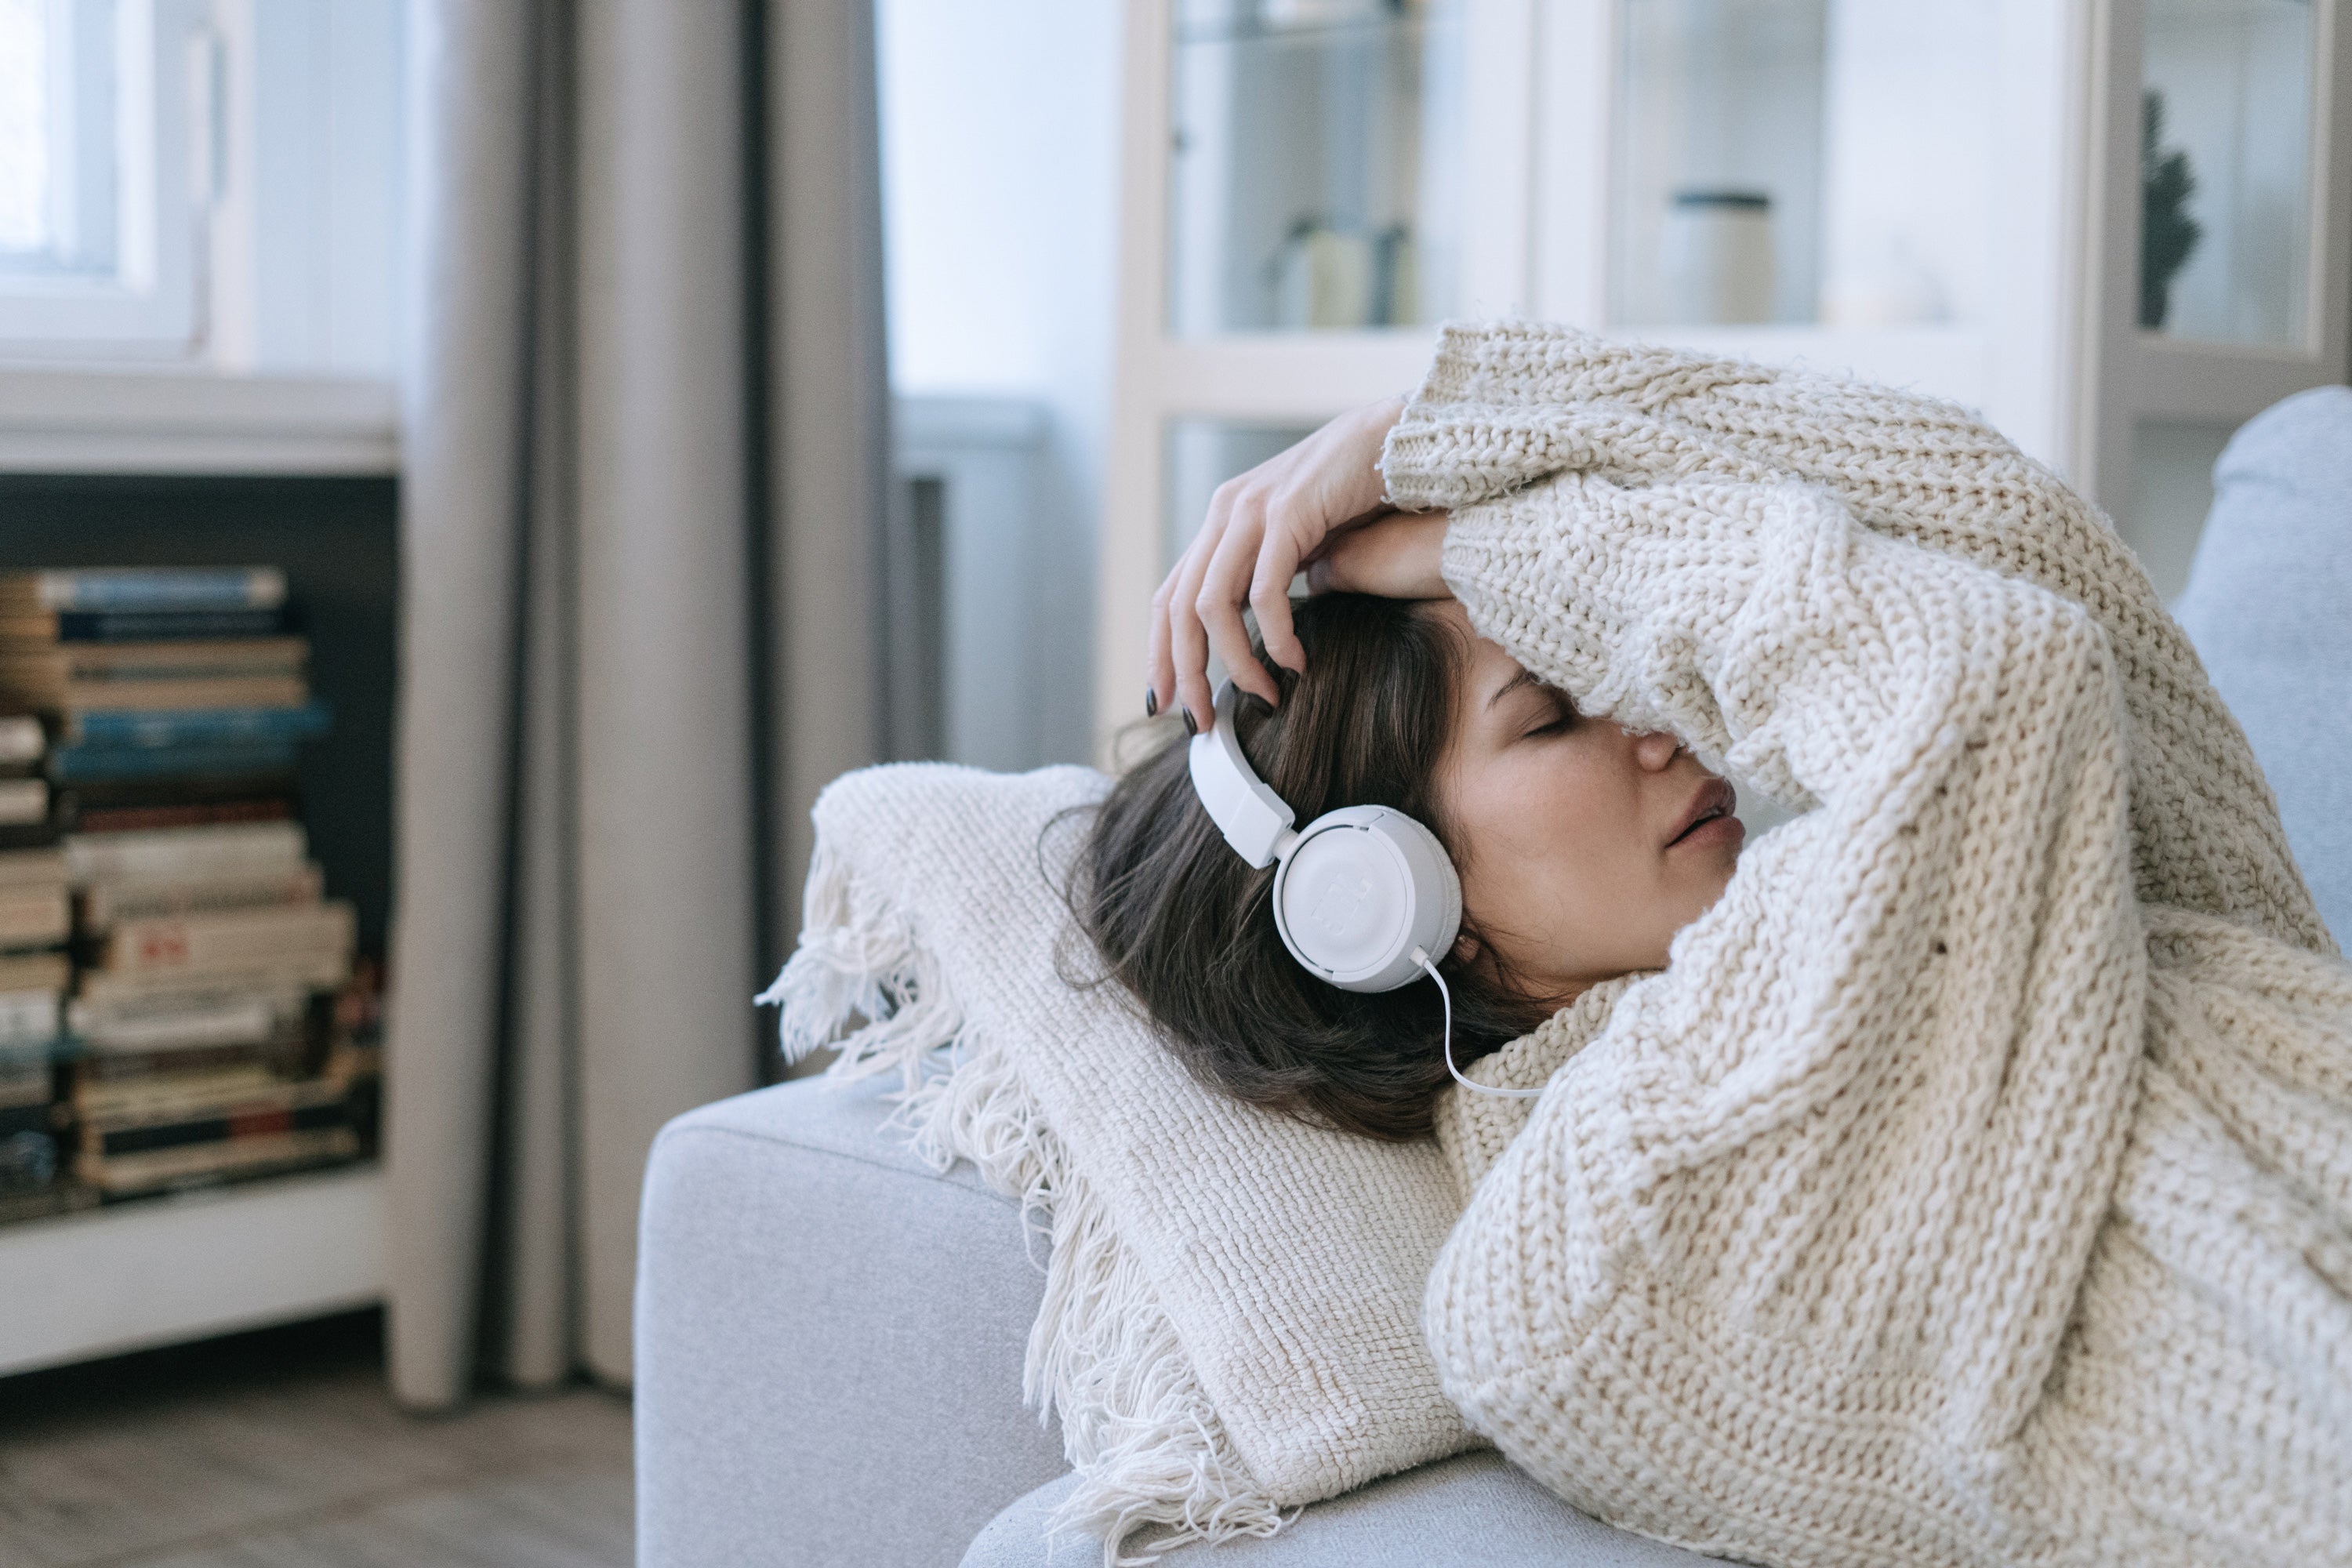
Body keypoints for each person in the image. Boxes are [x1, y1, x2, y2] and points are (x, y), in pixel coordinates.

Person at [1083, 323, 2352, 1565]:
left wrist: (1436, 435)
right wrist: (1526, 540)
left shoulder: (1882, 906)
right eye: (1557, 711)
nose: (1657, 715)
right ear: (1389, 898)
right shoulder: (1575, 1258)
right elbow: (1997, 676)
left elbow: (2018, 540)